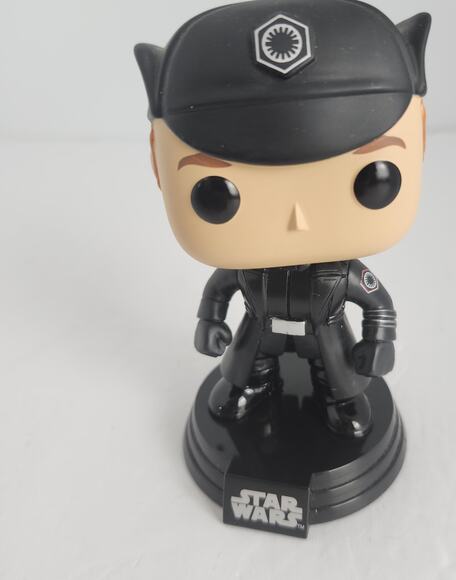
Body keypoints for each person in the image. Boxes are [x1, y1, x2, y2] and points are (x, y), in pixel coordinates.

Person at [135, 0, 431, 438]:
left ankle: (341, 396)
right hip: (260, 328)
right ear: (158, 166)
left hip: (325, 332)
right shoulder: (244, 267)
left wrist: (379, 339)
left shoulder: (342, 273)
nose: (298, 220)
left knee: (337, 372)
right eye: (217, 194)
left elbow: (377, 302)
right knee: (246, 363)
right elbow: (219, 288)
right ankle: (253, 384)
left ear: (421, 136)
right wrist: (210, 319)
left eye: (372, 179)